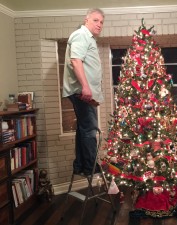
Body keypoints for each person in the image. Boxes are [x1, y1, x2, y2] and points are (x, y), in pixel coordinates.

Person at [62, 8, 105, 176]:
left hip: (84, 92)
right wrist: (86, 87)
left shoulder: (88, 38)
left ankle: (80, 165)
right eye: (96, 20)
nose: (99, 24)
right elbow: (76, 60)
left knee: (83, 128)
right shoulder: (81, 35)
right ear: (86, 20)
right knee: (89, 129)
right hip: (83, 92)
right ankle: (91, 166)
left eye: (101, 22)